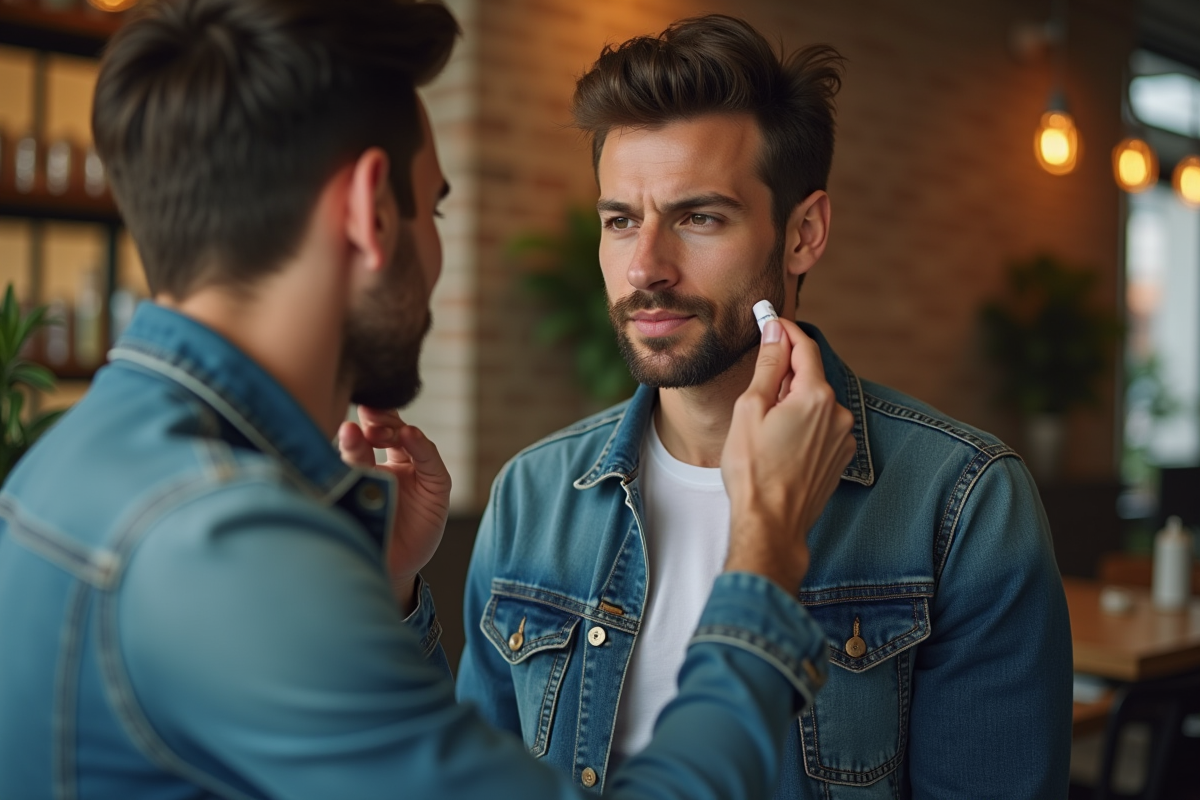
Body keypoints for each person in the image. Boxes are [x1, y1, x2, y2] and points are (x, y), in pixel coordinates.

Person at [0, 1, 861, 798]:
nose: (644, 265)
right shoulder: (222, 538)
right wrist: (763, 556)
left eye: (700, 217)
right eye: (435, 209)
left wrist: (382, 595)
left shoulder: (68, 466)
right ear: (372, 212)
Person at [457, 14, 1073, 800]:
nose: (645, 267)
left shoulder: (963, 504)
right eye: (621, 221)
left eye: (699, 217)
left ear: (803, 233)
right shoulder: (530, 496)